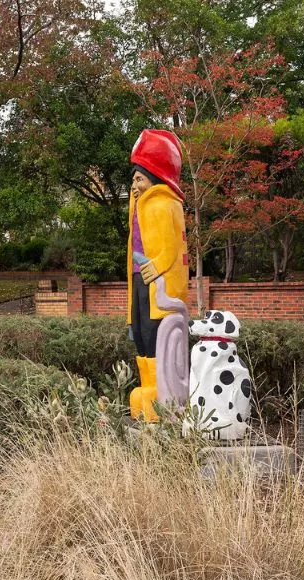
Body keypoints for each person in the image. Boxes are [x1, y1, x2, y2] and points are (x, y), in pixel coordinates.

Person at [127, 129, 189, 422]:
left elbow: (172, 245)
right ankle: (147, 385)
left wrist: (159, 264)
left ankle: (161, 391)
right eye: (134, 179)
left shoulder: (167, 204)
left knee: (156, 331)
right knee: (139, 331)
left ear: (155, 176)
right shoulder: (139, 205)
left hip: (158, 283)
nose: (135, 185)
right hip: (140, 278)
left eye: (139, 178)